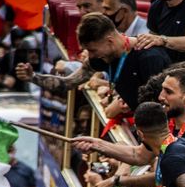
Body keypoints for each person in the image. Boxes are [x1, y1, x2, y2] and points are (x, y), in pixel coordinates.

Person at [16, 13, 169, 114]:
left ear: (109, 41)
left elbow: (164, 107)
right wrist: (33, 77)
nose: (90, 56)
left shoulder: (149, 57)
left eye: (93, 50)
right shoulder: (101, 57)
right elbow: (68, 83)